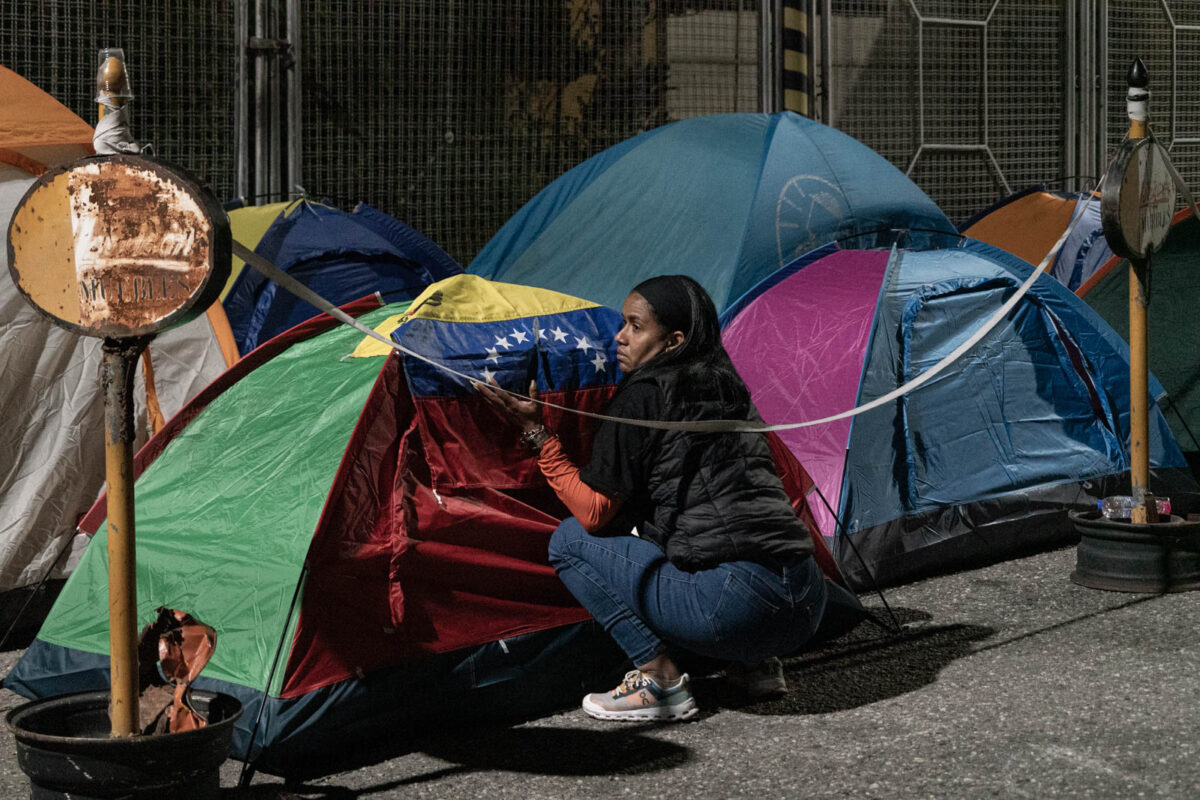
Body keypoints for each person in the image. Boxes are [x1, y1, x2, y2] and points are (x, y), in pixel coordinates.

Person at [476, 275, 828, 722]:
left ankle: (658, 681)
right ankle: (756, 666)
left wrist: (538, 436)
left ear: (673, 341)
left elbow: (594, 513)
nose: (619, 337)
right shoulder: (727, 386)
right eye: (622, 324)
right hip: (807, 602)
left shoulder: (644, 394)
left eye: (635, 327)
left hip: (738, 610)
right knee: (682, 525)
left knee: (568, 541)